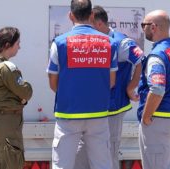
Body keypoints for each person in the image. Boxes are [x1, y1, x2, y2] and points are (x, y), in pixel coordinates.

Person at [47, 0, 118, 169]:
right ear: (92, 15)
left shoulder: (59, 43)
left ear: (71, 16)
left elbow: (53, 82)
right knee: (102, 164)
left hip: (68, 114)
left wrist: (69, 93)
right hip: (98, 113)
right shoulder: (109, 42)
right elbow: (112, 81)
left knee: (62, 164)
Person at [74, 5, 143, 169]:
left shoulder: (121, 43)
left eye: (88, 26)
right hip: (91, 108)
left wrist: (130, 88)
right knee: (83, 150)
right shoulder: (92, 42)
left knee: (108, 151)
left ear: (97, 24)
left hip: (113, 109)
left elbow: (142, 61)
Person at [137, 10, 170, 169]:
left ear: (153, 27)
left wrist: (146, 117)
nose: (143, 28)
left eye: (144, 25)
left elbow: (157, 89)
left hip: (158, 119)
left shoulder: (157, 56)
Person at [0, 27, 33, 169]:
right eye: (18, 44)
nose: (19, 47)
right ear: (8, 45)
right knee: (13, 164)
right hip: (8, 125)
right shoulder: (6, 67)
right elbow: (26, 92)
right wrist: (21, 98)